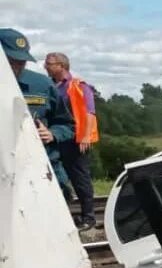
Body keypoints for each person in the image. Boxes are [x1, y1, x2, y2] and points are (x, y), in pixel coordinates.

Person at [2, 28, 73, 194]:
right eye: (10, 61)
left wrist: (52, 133)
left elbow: (66, 124)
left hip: (41, 173)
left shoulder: (42, 85)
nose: (16, 67)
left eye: (21, 62)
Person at [44, 52, 99, 230]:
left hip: (75, 139)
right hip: (55, 137)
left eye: (50, 63)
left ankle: (89, 217)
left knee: (79, 178)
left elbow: (90, 112)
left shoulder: (79, 86)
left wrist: (85, 136)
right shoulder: (50, 86)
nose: (46, 66)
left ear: (62, 66)